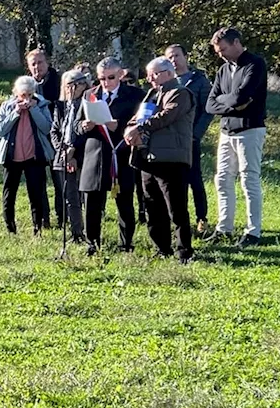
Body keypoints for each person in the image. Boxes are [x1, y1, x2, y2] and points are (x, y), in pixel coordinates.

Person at [124, 57, 195, 263]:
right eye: (148, 74)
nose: (150, 78)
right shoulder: (152, 95)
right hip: (148, 157)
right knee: (153, 207)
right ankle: (162, 248)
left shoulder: (180, 93)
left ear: (169, 73)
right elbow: (138, 117)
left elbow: (166, 116)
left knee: (176, 209)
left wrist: (140, 128)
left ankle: (184, 251)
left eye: (154, 74)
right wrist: (130, 128)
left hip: (171, 158)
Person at [204, 27, 267, 248]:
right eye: (218, 51)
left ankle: (253, 232)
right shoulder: (223, 69)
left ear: (236, 43)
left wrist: (231, 101)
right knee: (222, 179)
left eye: (223, 49)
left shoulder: (255, 64)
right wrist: (232, 104)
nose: (220, 54)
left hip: (250, 129)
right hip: (226, 131)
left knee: (249, 179)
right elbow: (211, 104)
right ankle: (224, 228)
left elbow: (243, 95)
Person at [52, 69, 116, 254]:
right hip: (62, 156)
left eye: (75, 85)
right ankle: (75, 232)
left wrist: (73, 154)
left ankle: (89, 235)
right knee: (69, 197)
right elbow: (55, 130)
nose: (71, 89)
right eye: (67, 85)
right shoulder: (61, 105)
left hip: (82, 157)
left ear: (84, 85)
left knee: (85, 198)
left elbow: (88, 132)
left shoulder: (89, 104)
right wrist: (63, 151)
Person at [92, 57, 143, 251]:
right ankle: (93, 243)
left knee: (124, 202)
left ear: (120, 75)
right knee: (94, 203)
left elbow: (141, 122)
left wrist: (118, 126)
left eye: (110, 77)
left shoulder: (136, 95)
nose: (106, 82)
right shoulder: (90, 95)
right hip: (96, 156)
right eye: (101, 78)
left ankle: (126, 243)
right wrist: (84, 125)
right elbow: (78, 125)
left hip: (122, 155)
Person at [0, 76, 55, 235]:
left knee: (36, 194)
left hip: (34, 157)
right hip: (12, 157)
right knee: (9, 193)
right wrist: (16, 112)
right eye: (23, 95)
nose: (26, 99)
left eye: (29, 95)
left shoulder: (41, 105)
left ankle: (37, 228)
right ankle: (10, 228)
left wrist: (34, 109)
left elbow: (47, 128)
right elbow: (0, 130)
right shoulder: (7, 106)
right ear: (16, 94)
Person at [165, 44, 214, 235]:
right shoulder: (165, 82)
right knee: (175, 182)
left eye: (177, 56)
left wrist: (196, 134)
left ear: (186, 57)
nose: (174, 60)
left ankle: (202, 218)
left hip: (190, 139)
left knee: (195, 179)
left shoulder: (199, 81)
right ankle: (178, 219)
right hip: (168, 140)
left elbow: (208, 110)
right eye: (169, 57)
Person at [27, 49, 62, 226]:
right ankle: (43, 219)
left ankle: (63, 217)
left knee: (59, 179)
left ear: (47, 63)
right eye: (33, 64)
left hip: (57, 137)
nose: (37, 67)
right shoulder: (25, 86)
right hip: (35, 139)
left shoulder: (59, 82)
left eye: (40, 62)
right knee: (38, 180)